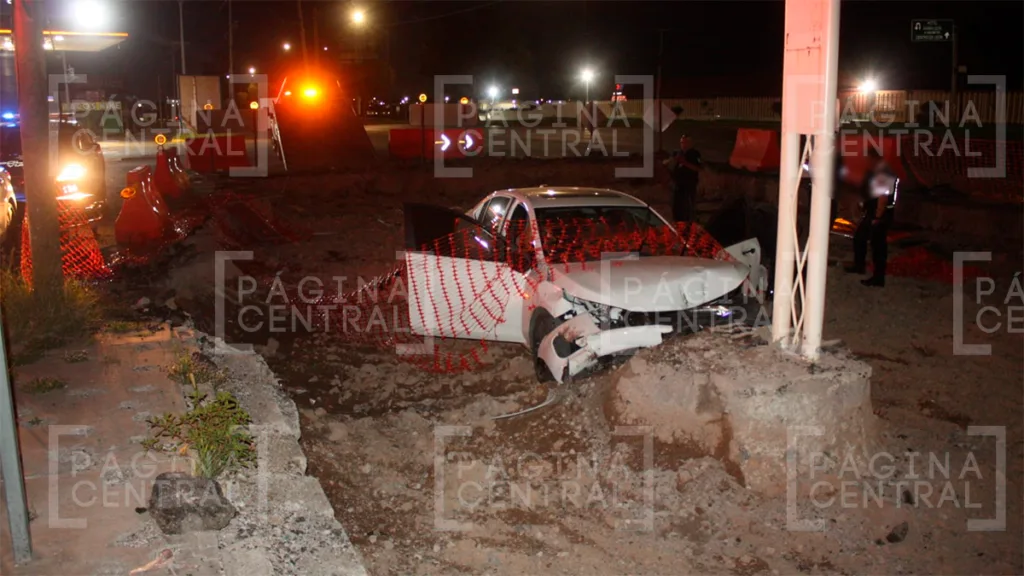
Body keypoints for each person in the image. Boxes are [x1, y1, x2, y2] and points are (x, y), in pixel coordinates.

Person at [845, 150, 898, 287]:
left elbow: (882, 198)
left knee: (878, 246)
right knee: (860, 238)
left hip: (879, 215)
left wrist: (877, 216)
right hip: (875, 212)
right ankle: (860, 266)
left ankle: (878, 277)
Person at [664, 135, 702, 223]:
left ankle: (688, 222)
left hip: (689, 184)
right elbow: (666, 162)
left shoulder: (694, 154)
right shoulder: (678, 153)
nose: (683, 145)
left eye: (685, 142)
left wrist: (684, 162)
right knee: (677, 205)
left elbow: (698, 168)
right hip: (678, 184)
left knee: (687, 206)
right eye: (682, 142)